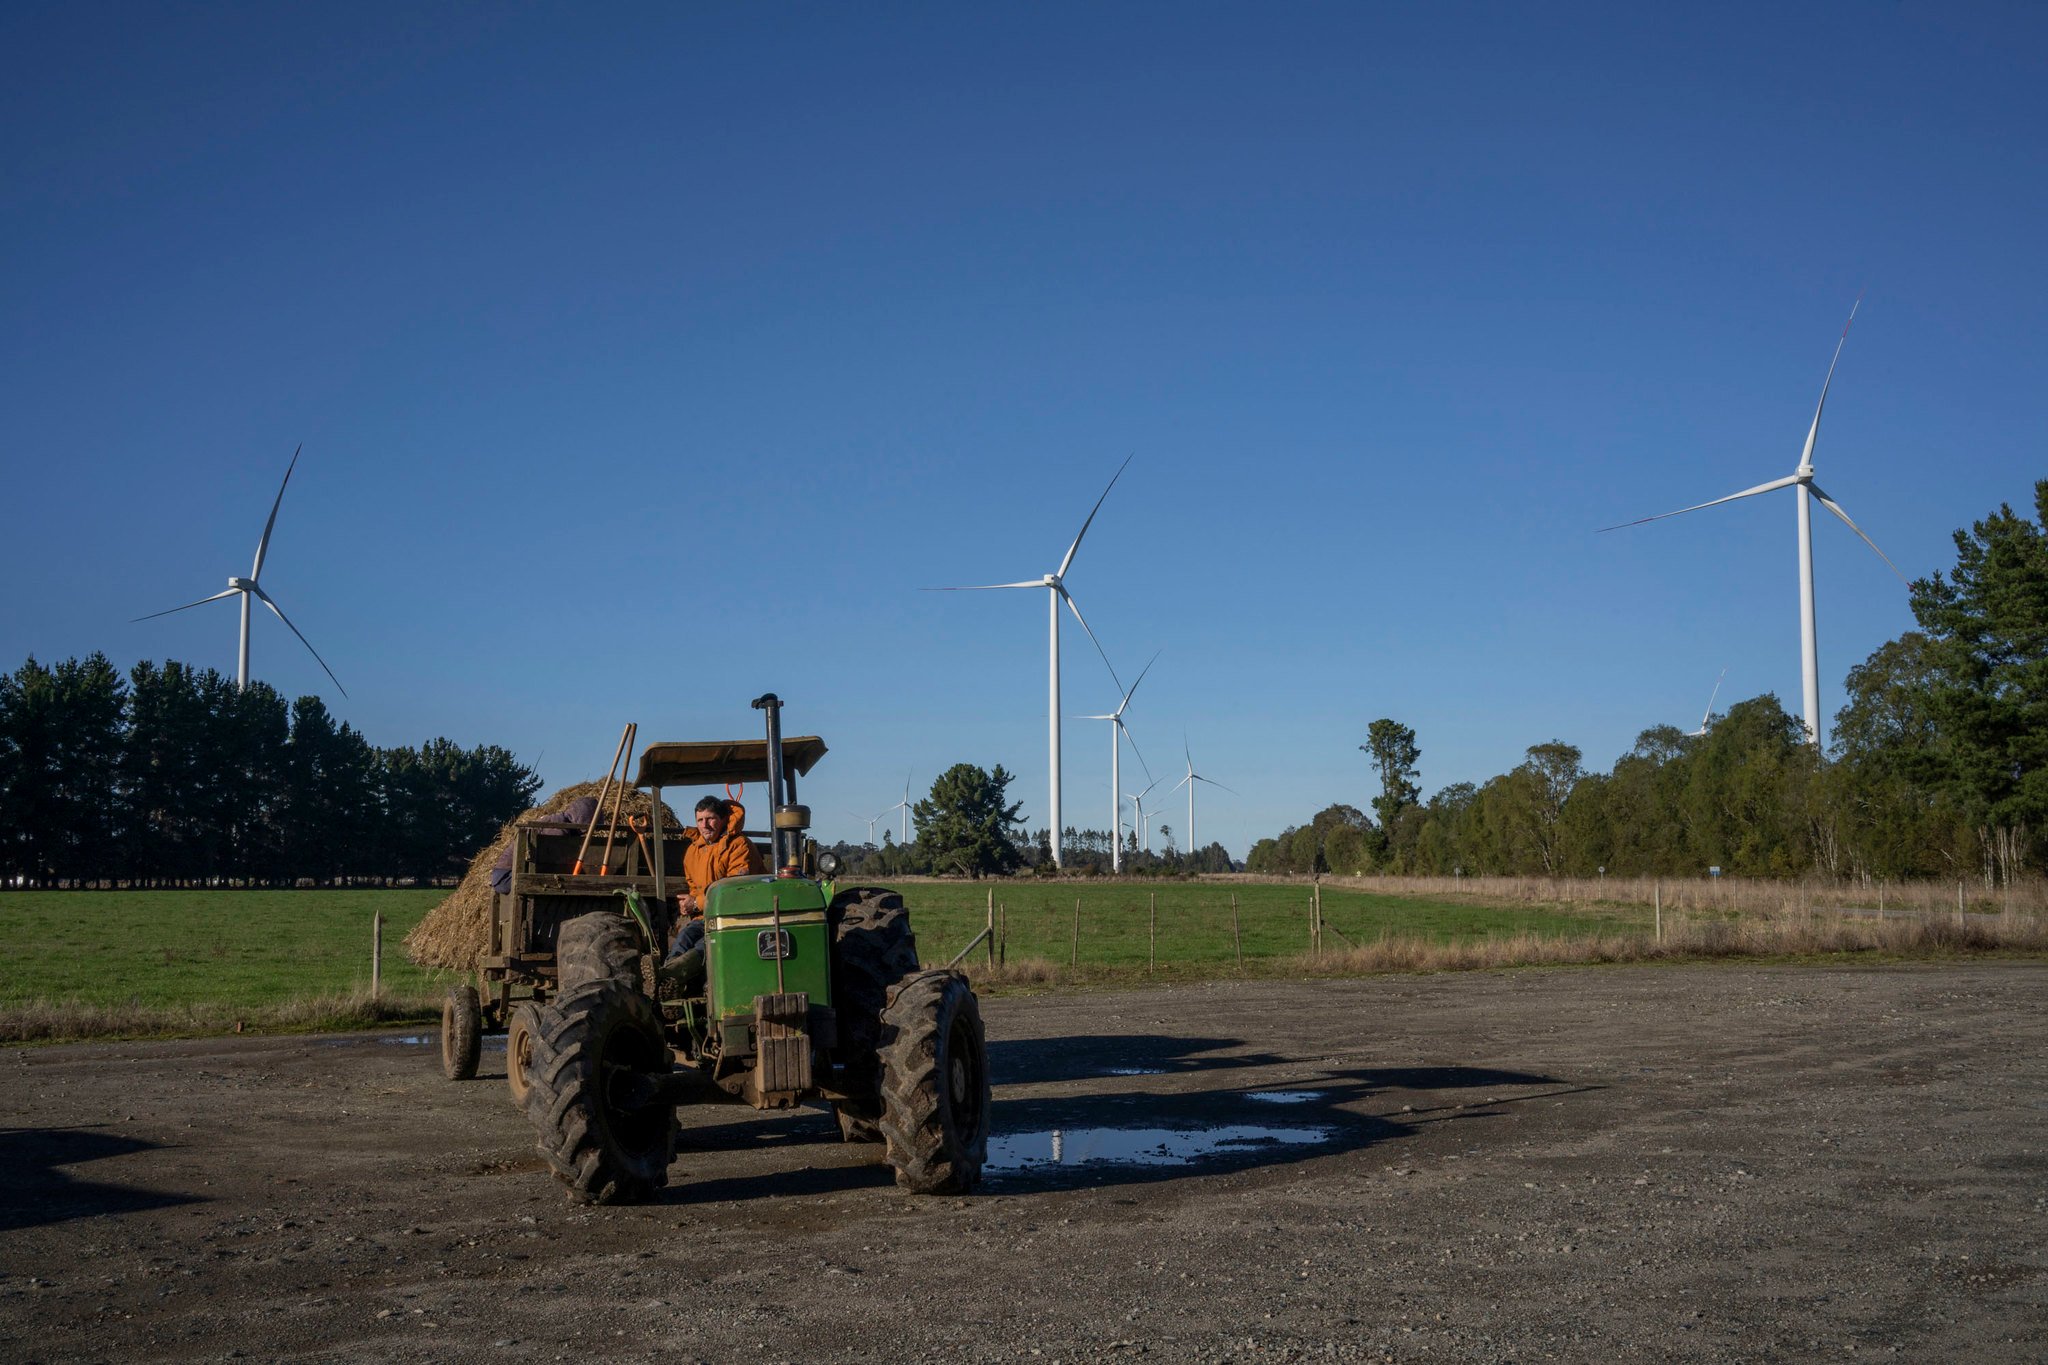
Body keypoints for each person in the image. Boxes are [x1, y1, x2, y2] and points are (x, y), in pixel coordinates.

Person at [664, 796, 765, 978]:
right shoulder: (693, 851)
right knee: (684, 937)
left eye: (710, 819)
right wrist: (688, 903)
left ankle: (678, 973)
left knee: (706, 944)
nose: (705, 825)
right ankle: (668, 977)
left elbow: (734, 889)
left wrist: (696, 903)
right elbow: (694, 888)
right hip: (704, 916)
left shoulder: (739, 845)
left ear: (723, 820)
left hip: (734, 915)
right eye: (700, 820)